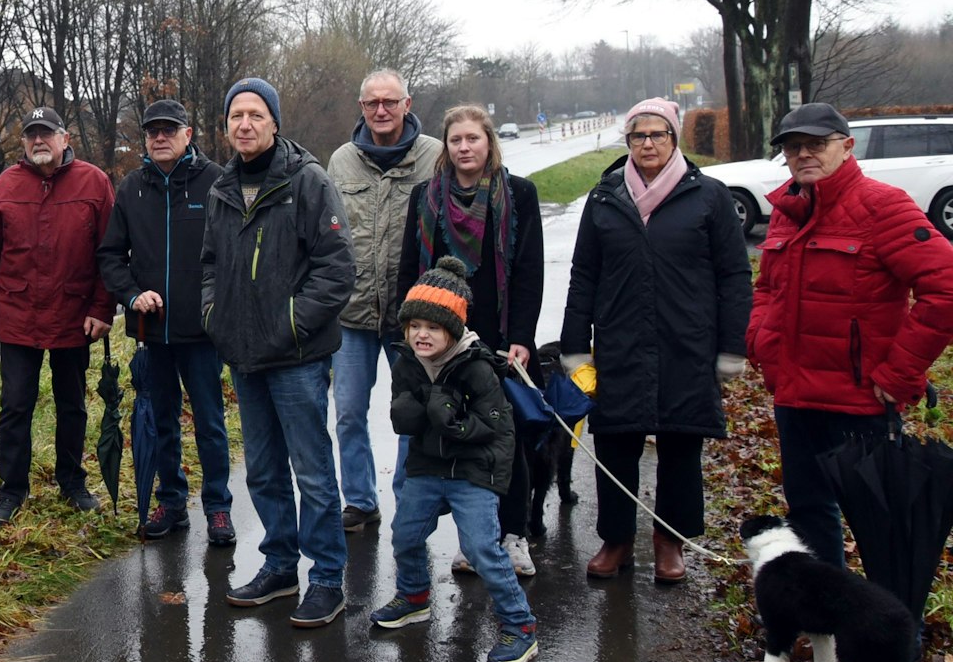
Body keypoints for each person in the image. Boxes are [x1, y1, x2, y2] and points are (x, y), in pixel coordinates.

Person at [745, 102, 953, 567]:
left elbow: (946, 289)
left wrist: (899, 374)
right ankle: (829, 625)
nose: (804, 155)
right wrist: (761, 338)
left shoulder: (884, 206)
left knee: (881, 526)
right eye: (794, 147)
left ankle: (894, 634)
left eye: (816, 144)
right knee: (810, 516)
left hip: (859, 403)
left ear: (846, 146)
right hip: (795, 399)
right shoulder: (787, 211)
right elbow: (766, 288)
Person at [560, 98, 752, 583]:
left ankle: (670, 541)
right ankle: (617, 539)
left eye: (657, 134)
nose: (647, 144)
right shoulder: (604, 200)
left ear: (674, 139)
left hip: (687, 341)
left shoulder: (708, 196)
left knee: (681, 444)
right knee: (617, 441)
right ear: (627, 142)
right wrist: (574, 345)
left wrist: (733, 346)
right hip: (621, 339)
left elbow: (734, 275)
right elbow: (584, 275)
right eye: (638, 136)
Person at [201, 77, 356, 625]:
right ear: (226, 126)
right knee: (264, 471)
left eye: (255, 115)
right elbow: (210, 266)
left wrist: (290, 324)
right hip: (243, 356)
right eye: (235, 116)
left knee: (312, 472)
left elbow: (338, 269)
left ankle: (327, 578)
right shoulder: (222, 188)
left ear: (274, 123)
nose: (244, 124)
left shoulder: (306, 181)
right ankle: (280, 566)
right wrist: (213, 316)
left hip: (296, 357)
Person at [371, 257, 539, 662]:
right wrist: (422, 409)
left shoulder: (478, 366)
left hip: (473, 469)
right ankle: (413, 597)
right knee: (405, 535)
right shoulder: (407, 363)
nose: (421, 335)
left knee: (483, 549)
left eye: (432, 327)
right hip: (428, 467)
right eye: (414, 327)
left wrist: (454, 420)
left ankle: (521, 626)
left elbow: (497, 425)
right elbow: (401, 416)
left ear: (453, 329)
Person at [399, 104, 543, 577]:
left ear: (489, 143)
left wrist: (521, 337)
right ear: (446, 145)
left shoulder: (518, 194)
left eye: (473, 139)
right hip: (446, 346)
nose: (464, 148)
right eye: (456, 140)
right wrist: (414, 336)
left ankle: (513, 535)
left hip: (501, 342)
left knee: (507, 441)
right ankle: (473, 540)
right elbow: (409, 272)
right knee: (460, 442)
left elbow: (528, 273)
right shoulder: (425, 198)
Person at [98, 98, 235, 546]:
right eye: (152, 130)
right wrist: (134, 295)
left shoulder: (216, 182)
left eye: (169, 129)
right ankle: (171, 500)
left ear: (188, 134)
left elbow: (232, 252)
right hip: (151, 332)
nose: (160, 137)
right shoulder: (132, 189)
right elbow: (111, 257)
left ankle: (218, 508)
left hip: (202, 332)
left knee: (211, 423)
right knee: (160, 419)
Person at [0, 106, 117, 522]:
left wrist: (102, 308)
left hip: (75, 317)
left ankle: (73, 482)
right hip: (19, 317)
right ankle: (12, 489)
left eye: (47, 134)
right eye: (31, 135)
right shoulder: (3, 186)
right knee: (15, 405)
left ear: (65, 138)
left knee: (72, 404)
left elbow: (109, 254)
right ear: (23, 143)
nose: (39, 141)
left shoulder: (94, 183)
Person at [326, 68, 443, 533]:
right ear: (361, 107)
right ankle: (360, 499)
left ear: (407, 104)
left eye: (390, 102)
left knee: (412, 414)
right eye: (373, 102)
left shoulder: (434, 157)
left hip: (411, 318)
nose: (381, 110)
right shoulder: (341, 161)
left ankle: (408, 500)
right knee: (349, 413)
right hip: (351, 315)